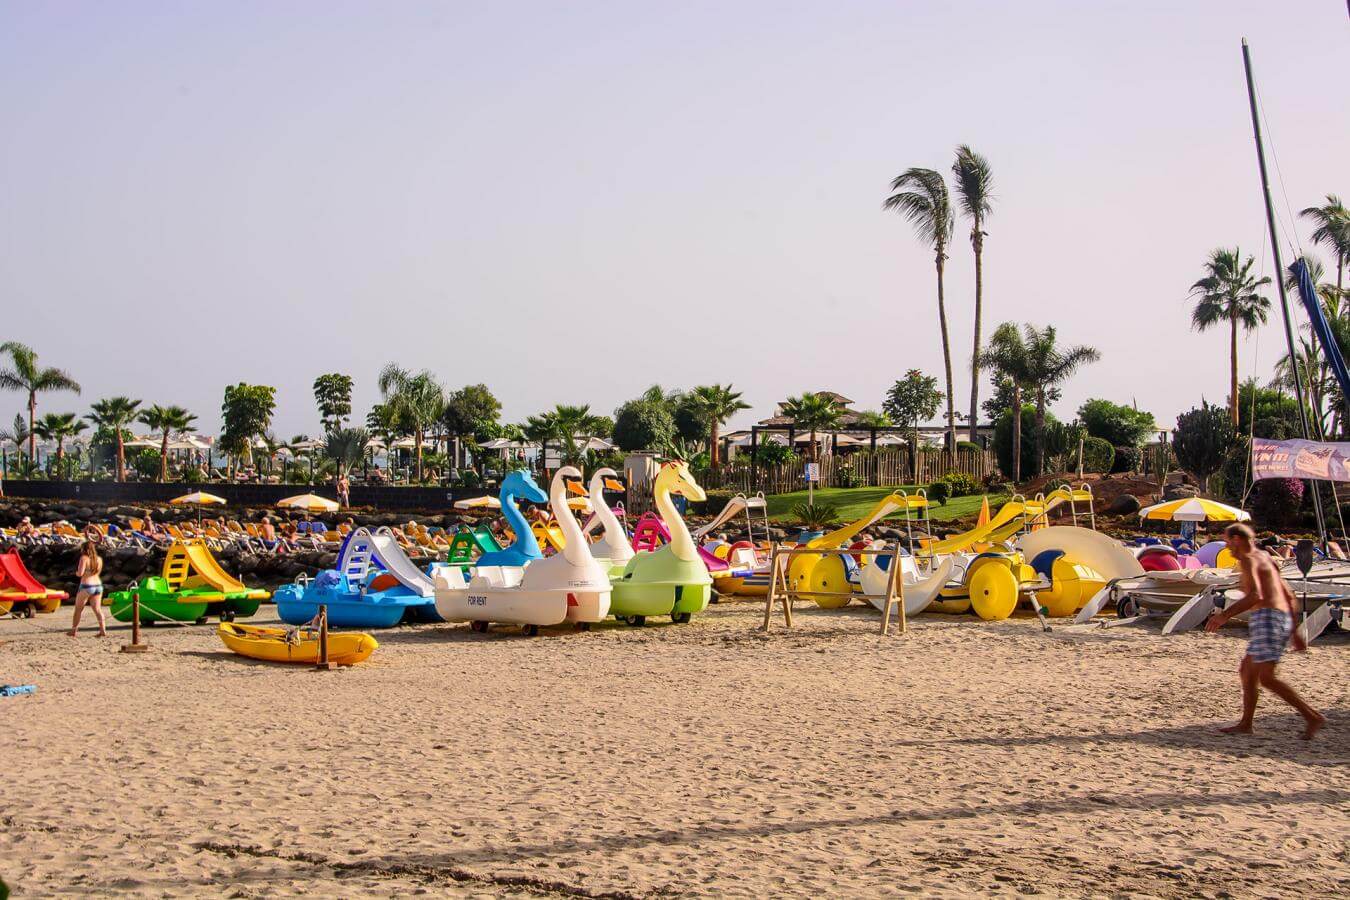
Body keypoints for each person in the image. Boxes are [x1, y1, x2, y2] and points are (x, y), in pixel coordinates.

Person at [1206, 523, 1325, 740]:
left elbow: (1255, 595)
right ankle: (1246, 723)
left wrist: (1224, 615)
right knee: (1247, 671)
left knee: (1267, 678)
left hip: (1268, 618)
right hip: (1274, 618)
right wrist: (1294, 630)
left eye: (1227, 541)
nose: (1227, 546)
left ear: (1237, 540)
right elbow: (1287, 593)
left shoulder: (1250, 560)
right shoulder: (1265, 558)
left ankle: (1312, 716)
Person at [68, 541, 107, 637]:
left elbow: (80, 573)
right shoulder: (99, 559)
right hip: (98, 585)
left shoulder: (84, 558)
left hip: (87, 585)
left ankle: (73, 630)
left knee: (78, 609)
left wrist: (76, 573)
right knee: (98, 609)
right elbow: (97, 573)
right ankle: (103, 630)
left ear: (84, 549)